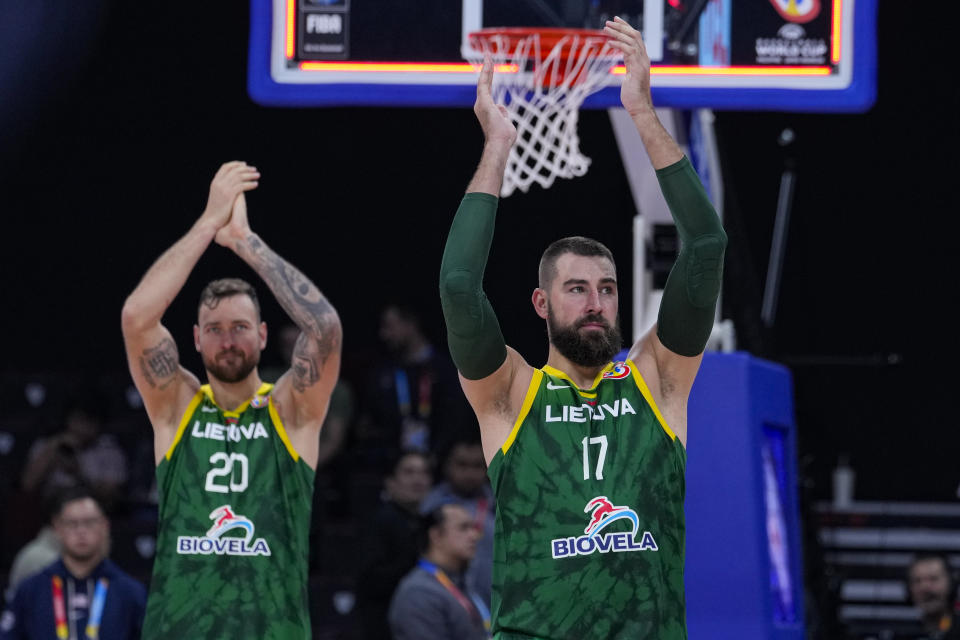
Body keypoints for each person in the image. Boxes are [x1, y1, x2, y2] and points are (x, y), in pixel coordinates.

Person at [438, 18, 726, 640]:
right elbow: (459, 286)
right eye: (577, 290)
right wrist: (496, 148)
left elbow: (706, 245)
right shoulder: (513, 393)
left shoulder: (657, 379)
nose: (596, 303)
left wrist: (642, 112)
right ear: (541, 304)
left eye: (607, 289)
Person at [120, 161, 342, 639]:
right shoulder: (176, 404)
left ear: (262, 336)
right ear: (196, 340)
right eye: (215, 331)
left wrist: (244, 242)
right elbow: (137, 316)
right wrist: (208, 222)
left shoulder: (290, 408)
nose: (228, 341)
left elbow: (324, 329)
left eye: (240, 328)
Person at [0, 488, 146, 640]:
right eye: (72, 523)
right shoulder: (31, 590)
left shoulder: (130, 592)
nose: (81, 531)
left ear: (105, 525)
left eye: (89, 522)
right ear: (57, 528)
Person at [354, 450, 432, 640]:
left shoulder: (426, 523)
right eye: (409, 472)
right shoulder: (381, 521)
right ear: (390, 482)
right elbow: (370, 579)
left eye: (424, 472)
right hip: (383, 624)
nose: (418, 480)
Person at [388, 503, 489, 640]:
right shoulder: (418, 592)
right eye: (463, 528)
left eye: (473, 527)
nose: (474, 535)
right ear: (436, 536)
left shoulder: (459, 582)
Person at [21, 393, 128, 508]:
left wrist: (78, 472)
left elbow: (109, 496)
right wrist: (54, 447)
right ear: (68, 419)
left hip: (93, 512)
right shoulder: (48, 444)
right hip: (50, 510)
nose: (82, 428)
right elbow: (27, 485)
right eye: (78, 420)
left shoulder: (109, 450)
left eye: (89, 422)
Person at [421, 438, 495, 605]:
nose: (469, 473)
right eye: (461, 465)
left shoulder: (501, 504)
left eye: (477, 466)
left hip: (492, 602)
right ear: (447, 466)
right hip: (443, 599)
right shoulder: (430, 507)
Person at [907, 553, 960, 640]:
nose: (925, 588)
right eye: (918, 581)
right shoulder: (905, 632)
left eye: (933, 579)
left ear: (952, 584)